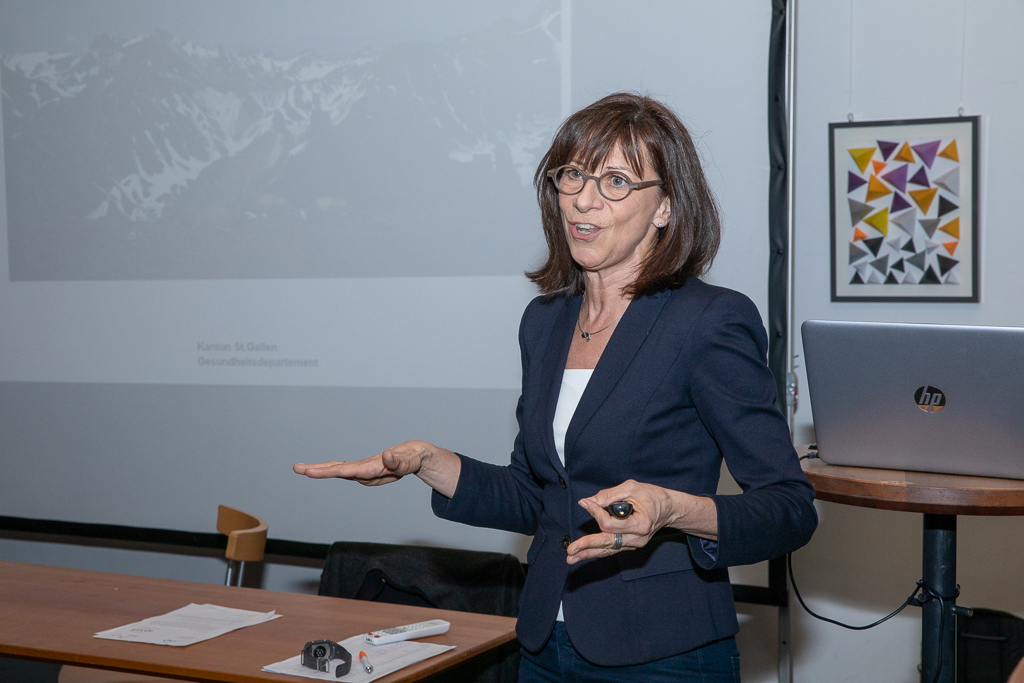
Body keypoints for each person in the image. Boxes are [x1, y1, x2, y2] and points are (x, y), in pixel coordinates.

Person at [294, 92, 817, 682]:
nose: (584, 200)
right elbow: (538, 497)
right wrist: (428, 461)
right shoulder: (545, 321)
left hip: (664, 653)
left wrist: (673, 510)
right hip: (545, 642)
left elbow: (789, 509)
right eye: (573, 175)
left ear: (665, 207)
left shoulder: (708, 322)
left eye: (616, 181)